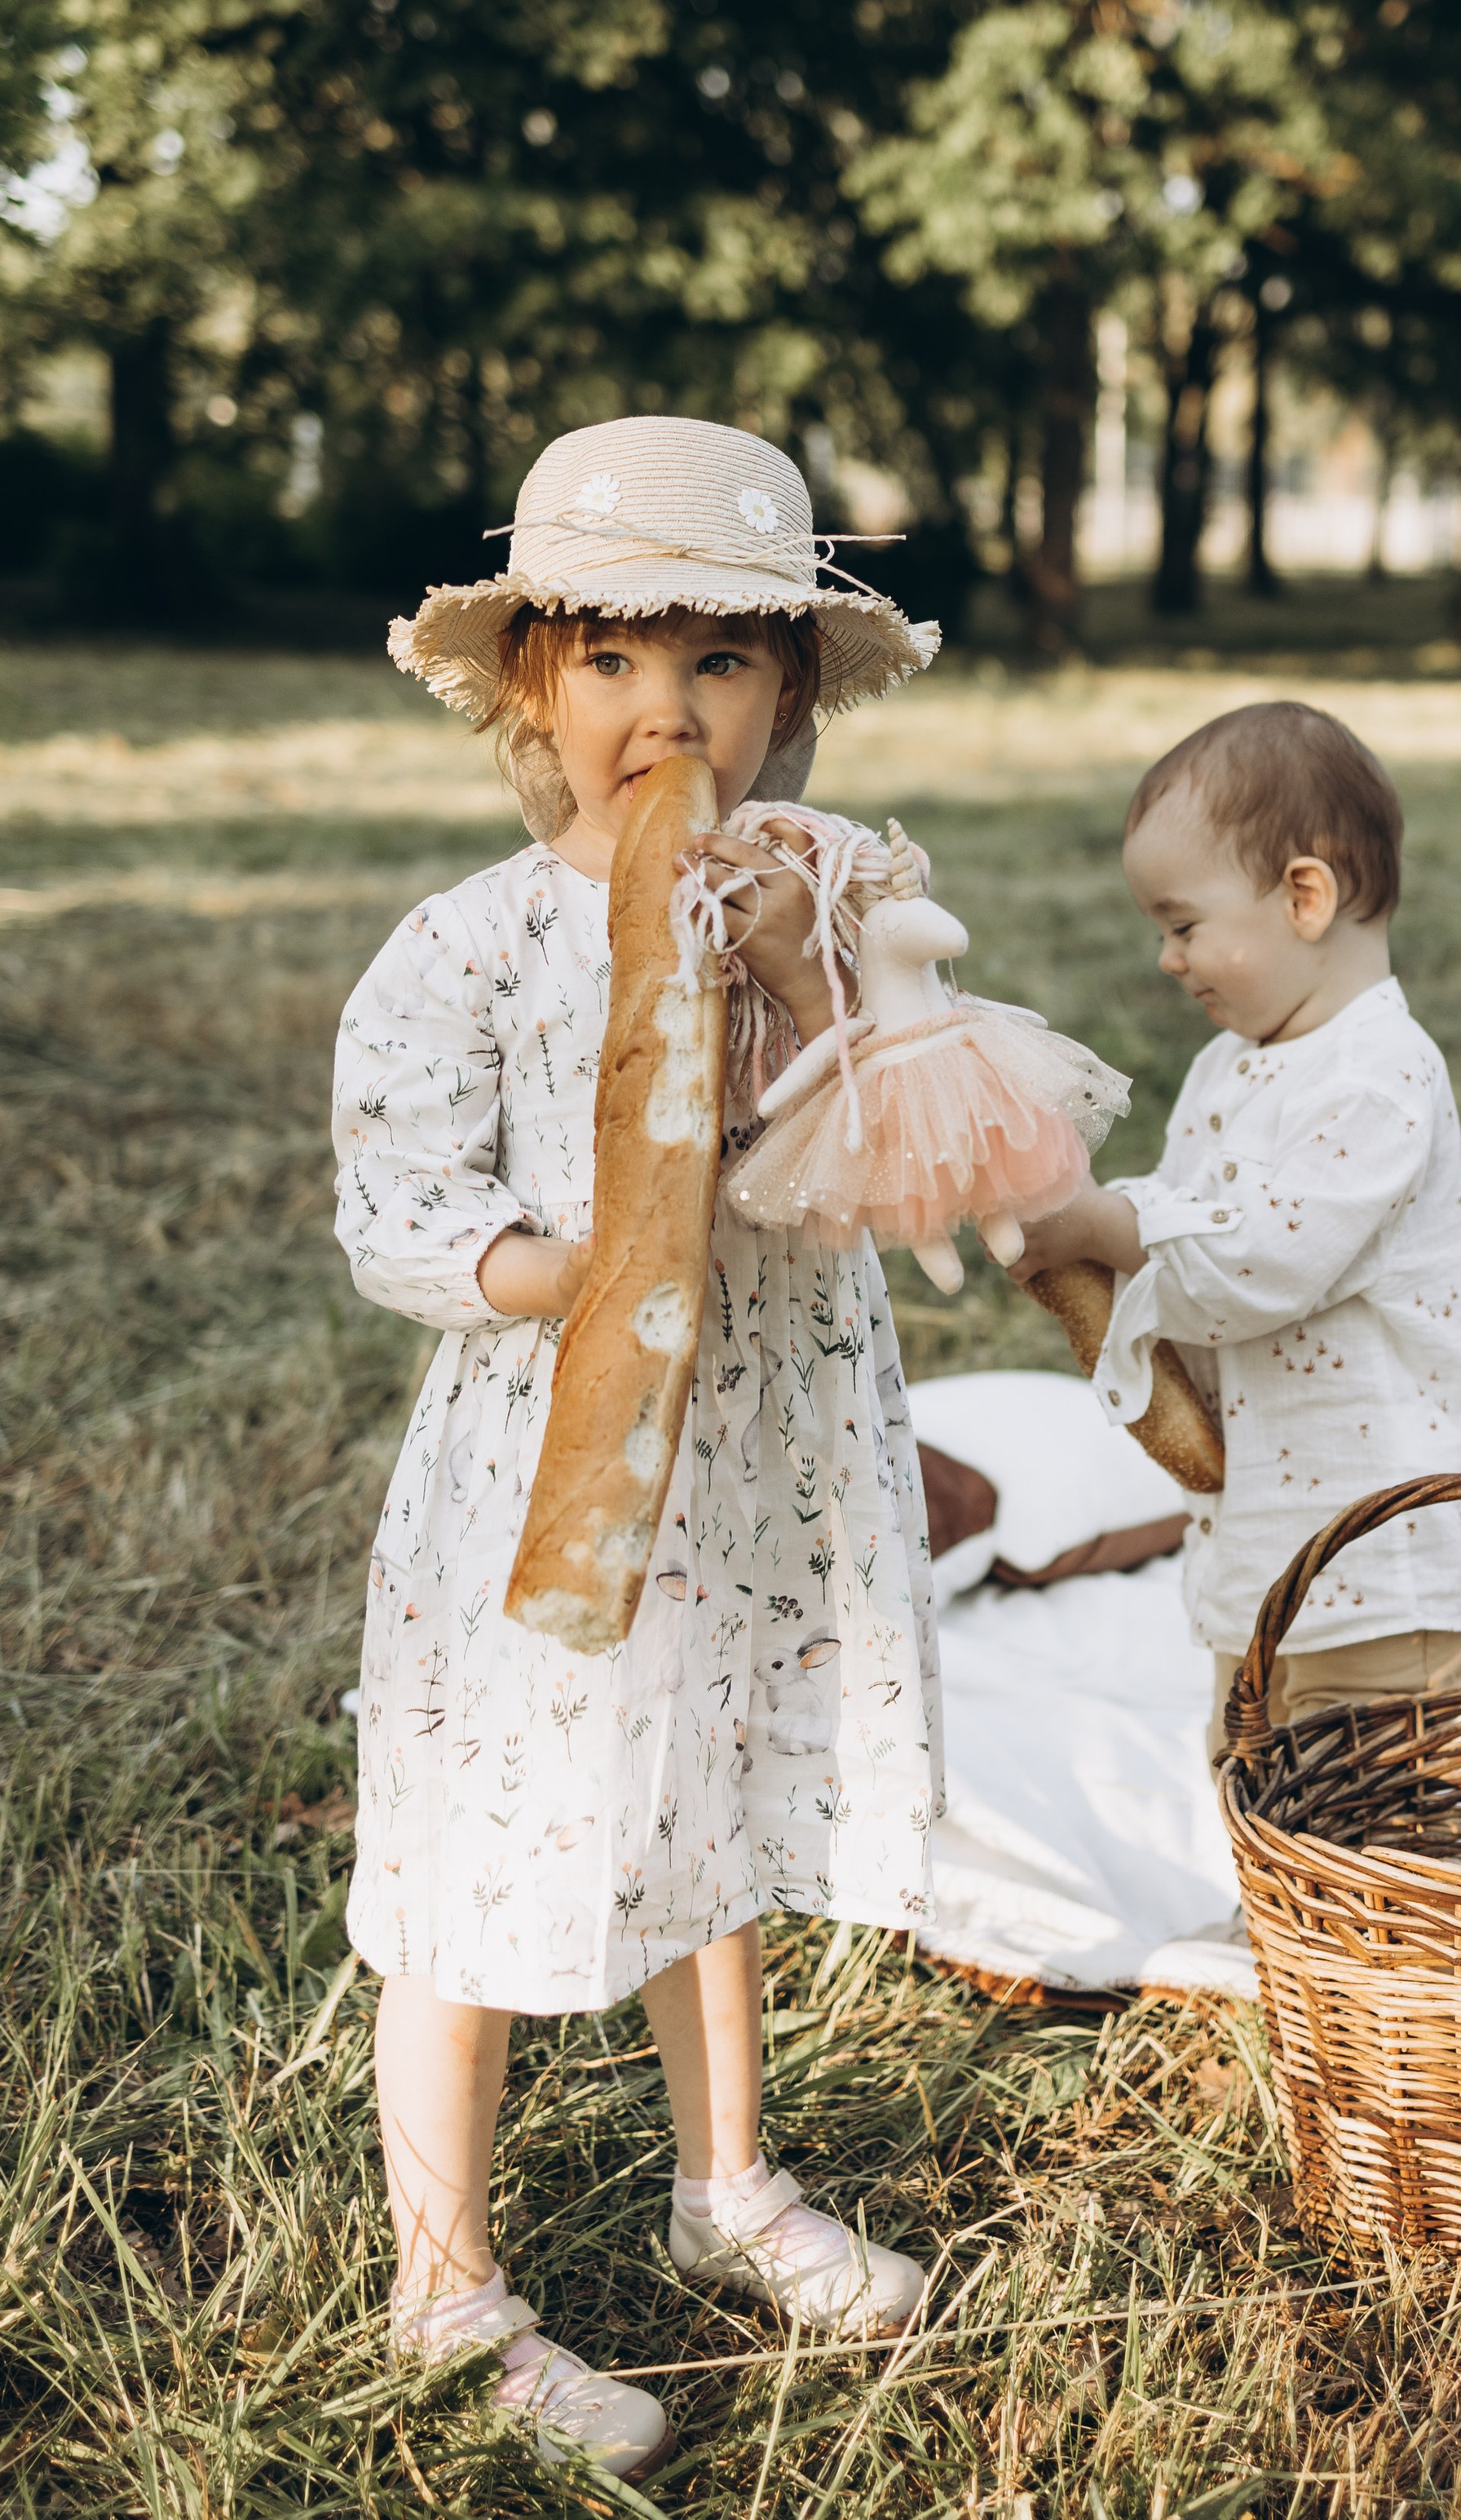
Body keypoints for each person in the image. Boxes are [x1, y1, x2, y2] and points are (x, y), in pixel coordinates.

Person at [333, 415, 943, 2478]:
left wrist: (801, 976)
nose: (660, 708)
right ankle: (446, 2280)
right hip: (554, 1465)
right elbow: (398, 1211)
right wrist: (565, 1268)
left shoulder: (831, 898)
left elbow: (916, 1137)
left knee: (718, 1793)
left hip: (756, 1462)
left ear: (785, 697)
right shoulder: (470, 943)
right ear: (530, 687)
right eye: (607, 658)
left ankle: (727, 2178)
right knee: (477, 1847)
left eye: (717, 662)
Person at [1010, 701, 1461, 1771]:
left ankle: (1379, 1932)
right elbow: (1189, 1238)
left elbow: (1264, 1255)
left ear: (1305, 897)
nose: (1165, 959)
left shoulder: (1383, 1073)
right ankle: (1277, 1926)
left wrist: (1108, 1219)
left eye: (1184, 925)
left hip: (1378, 1548)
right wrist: (1091, 1257)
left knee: (1378, 1784)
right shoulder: (1228, 1067)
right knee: (1250, 1755)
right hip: (1268, 1527)